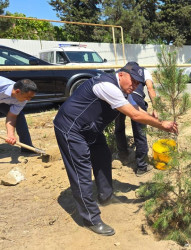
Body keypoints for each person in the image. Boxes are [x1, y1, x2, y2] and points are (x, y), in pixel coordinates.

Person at [53, 62, 178, 236]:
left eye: (138, 84)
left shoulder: (124, 91)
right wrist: (161, 125)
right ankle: (91, 219)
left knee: (103, 156)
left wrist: (152, 116)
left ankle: (106, 196)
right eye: (132, 81)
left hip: (90, 128)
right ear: (121, 75)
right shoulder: (107, 86)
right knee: (81, 171)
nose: (134, 86)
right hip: (71, 129)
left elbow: (136, 108)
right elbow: (133, 115)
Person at [114, 66, 157, 177]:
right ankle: (142, 166)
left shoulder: (121, 71)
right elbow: (150, 89)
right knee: (140, 133)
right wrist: (155, 108)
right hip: (135, 98)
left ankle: (123, 155)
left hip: (120, 98)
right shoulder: (144, 71)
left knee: (119, 128)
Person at [0, 76, 37, 153]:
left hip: (2, 101)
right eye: (27, 97)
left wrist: (11, 135)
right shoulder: (2, 86)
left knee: (19, 116)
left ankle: (27, 148)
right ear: (17, 92)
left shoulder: (22, 99)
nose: (28, 100)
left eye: (30, 97)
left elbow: (12, 116)